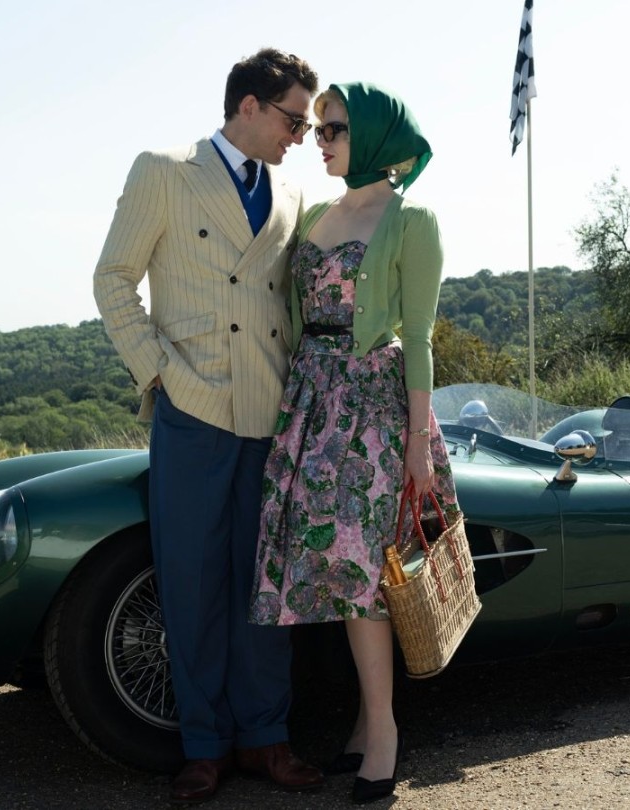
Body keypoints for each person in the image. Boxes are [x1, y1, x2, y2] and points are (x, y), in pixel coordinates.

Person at [92, 48, 324, 804]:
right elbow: (112, 279)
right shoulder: (164, 169)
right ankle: (203, 746)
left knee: (265, 587)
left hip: (269, 408)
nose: (300, 134)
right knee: (191, 586)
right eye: (292, 118)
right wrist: (159, 374)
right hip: (192, 412)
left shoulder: (289, 192)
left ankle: (267, 739)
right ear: (249, 107)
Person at [249, 82, 460, 804]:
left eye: (334, 127)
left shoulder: (413, 219)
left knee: (366, 571)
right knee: (341, 573)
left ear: (370, 133)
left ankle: (385, 734)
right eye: (316, 128)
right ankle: (368, 728)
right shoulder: (314, 213)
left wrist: (418, 448)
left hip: (375, 411)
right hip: (312, 402)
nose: (321, 138)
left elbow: (421, 338)